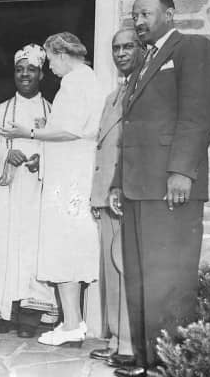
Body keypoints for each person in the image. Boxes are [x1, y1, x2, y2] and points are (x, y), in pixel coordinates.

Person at [109, 0, 210, 377]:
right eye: (135, 15)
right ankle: (146, 361)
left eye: (146, 13)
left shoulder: (192, 49)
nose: (139, 21)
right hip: (138, 188)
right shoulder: (143, 62)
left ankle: (171, 366)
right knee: (141, 279)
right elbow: (132, 129)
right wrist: (117, 182)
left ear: (169, 14)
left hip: (171, 187)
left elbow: (198, 114)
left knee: (170, 280)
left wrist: (182, 172)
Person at [0, 32, 105, 347]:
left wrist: (29, 132)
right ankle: (73, 322)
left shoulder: (75, 83)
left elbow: (70, 131)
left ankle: (72, 323)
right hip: (72, 175)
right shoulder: (87, 80)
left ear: (61, 55)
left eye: (50, 60)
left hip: (69, 181)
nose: (50, 68)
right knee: (67, 248)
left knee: (63, 247)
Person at [0, 44, 58, 338]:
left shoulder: (54, 114)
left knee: (33, 251)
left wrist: (43, 161)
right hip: (6, 192)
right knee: (4, 248)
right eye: (20, 69)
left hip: (37, 192)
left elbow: (65, 150)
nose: (25, 74)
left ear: (41, 74)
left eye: (31, 69)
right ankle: (3, 312)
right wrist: (4, 156)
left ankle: (30, 316)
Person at [89, 28, 143, 369]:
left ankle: (128, 343)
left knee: (123, 266)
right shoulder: (113, 95)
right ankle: (115, 338)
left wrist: (118, 186)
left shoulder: (143, 90)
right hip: (106, 195)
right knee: (110, 269)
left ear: (142, 49)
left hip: (124, 192)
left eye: (128, 46)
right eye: (116, 48)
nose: (121, 53)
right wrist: (98, 193)